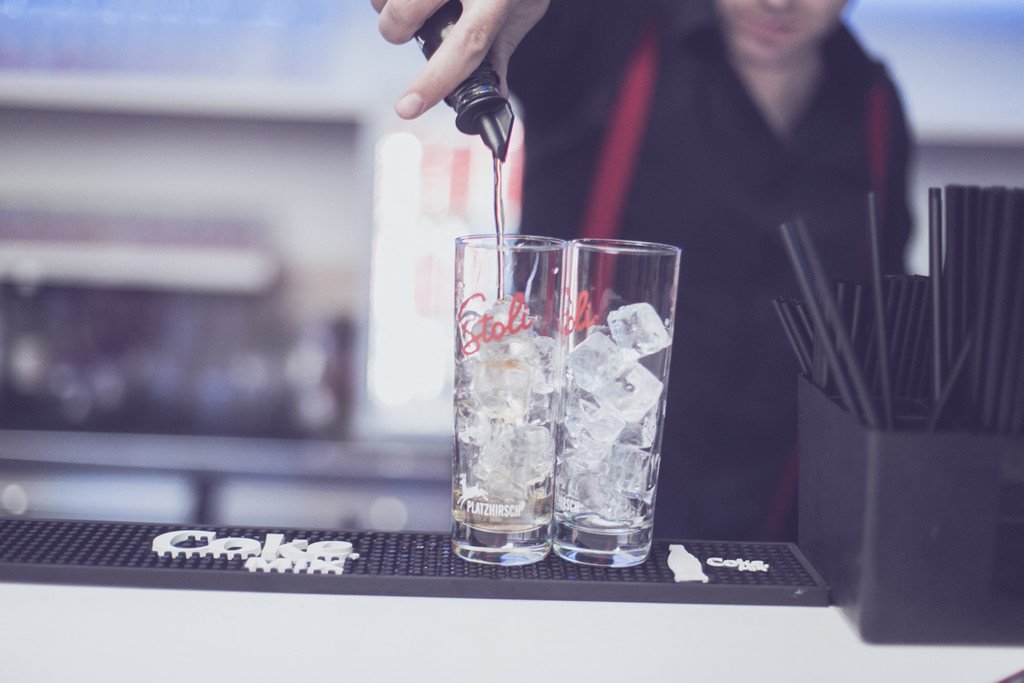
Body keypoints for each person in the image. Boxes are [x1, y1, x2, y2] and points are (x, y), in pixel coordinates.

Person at [373, 0, 912, 542]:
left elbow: (879, 330)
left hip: (784, 549)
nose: (778, 2)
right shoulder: (602, 30)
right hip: (575, 539)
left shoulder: (875, 107)